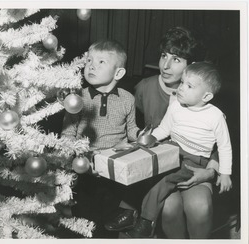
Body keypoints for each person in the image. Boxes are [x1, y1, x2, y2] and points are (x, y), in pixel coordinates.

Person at [104, 26, 219, 239]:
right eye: (164, 56)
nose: (165, 66)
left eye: (176, 59)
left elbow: (217, 142)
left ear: (191, 65)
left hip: (195, 167)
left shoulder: (204, 95)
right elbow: (130, 127)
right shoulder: (144, 88)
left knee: (199, 207)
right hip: (157, 170)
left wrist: (210, 172)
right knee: (169, 208)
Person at [124, 61, 233, 238]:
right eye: (182, 82)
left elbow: (224, 147)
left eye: (189, 86)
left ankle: (145, 220)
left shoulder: (215, 116)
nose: (181, 88)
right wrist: (147, 139)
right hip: (172, 152)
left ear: (206, 96)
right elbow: (164, 129)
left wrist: (225, 174)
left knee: (164, 182)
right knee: (146, 173)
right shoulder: (175, 106)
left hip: (194, 162)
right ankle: (132, 211)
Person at [61, 39, 141, 237]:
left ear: (118, 73)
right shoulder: (77, 98)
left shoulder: (128, 98)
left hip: (115, 168)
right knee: (84, 218)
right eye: (89, 61)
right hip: (86, 166)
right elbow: (67, 135)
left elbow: (132, 130)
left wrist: (142, 135)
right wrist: (82, 158)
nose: (91, 66)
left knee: (109, 219)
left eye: (101, 62)